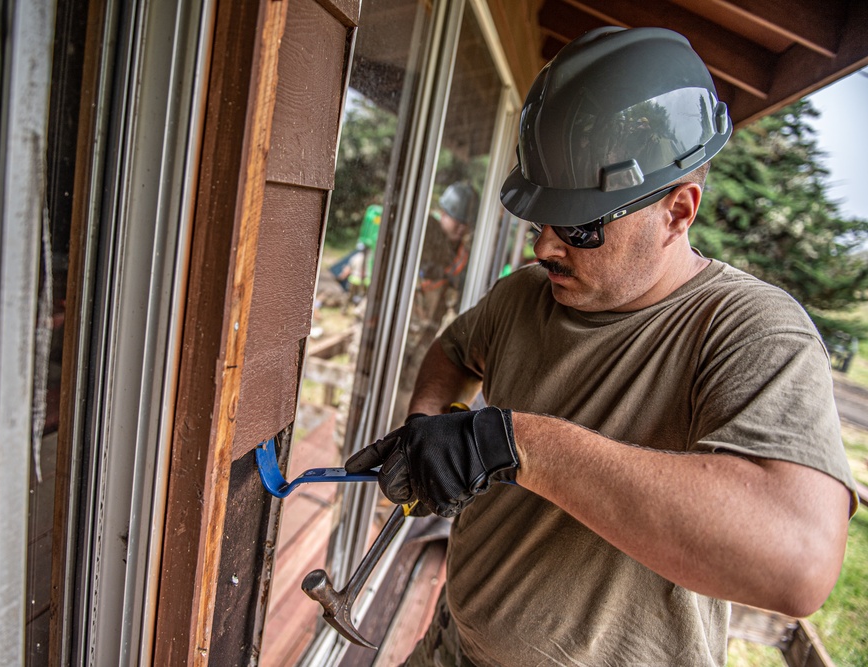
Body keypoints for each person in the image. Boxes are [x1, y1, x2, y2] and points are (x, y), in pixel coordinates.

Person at [345, 27, 857, 666]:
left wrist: (514, 443)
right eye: (541, 222)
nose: (544, 248)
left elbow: (799, 564)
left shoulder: (749, 329)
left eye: (581, 228)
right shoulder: (525, 296)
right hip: (451, 644)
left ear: (677, 211)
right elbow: (453, 352)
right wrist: (428, 429)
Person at [394, 181, 479, 424]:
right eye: (457, 221)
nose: (461, 229)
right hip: (400, 330)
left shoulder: (465, 251)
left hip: (426, 335)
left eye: (467, 225)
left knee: (409, 398)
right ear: (443, 213)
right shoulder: (424, 235)